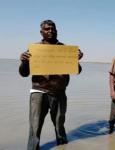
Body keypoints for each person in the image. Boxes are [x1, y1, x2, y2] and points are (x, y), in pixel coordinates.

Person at [19, 20, 83, 150]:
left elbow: (77, 71)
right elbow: (23, 73)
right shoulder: (33, 50)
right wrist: (24, 61)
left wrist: (76, 60)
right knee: (35, 127)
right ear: (41, 32)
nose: (50, 31)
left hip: (59, 93)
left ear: (56, 31)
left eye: (53, 29)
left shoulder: (65, 49)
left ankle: (62, 146)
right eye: (47, 29)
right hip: (39, 92)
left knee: (60, 125)